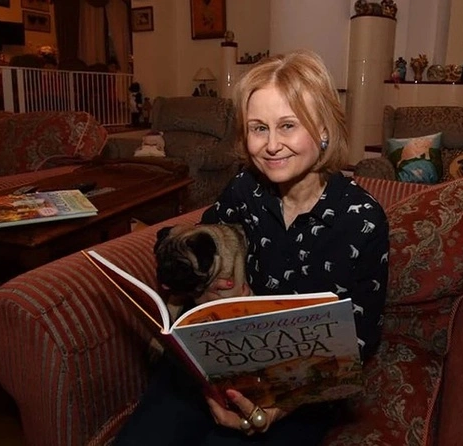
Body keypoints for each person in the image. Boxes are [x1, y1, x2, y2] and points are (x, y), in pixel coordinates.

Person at [114, 49, 389, 446]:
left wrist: (280, 405)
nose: (272, 145)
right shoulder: (245, 188)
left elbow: (362, 340)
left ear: (324, 129)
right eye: (259, 128)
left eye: (288, 125)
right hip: (220, 360)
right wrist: (206, 291)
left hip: (302, 390)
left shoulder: (362, 218)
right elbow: (207, 244)